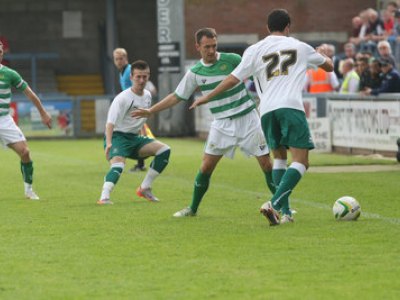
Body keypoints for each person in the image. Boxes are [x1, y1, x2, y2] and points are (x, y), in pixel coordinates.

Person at [190, 9, 333, 225]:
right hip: (291, 107)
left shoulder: (254, 50)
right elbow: (329, 67)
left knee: (280, 159)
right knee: (301, 161)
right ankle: (274, 204)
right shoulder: (299, 46)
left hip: (265, 111)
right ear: (288, 27)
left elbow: (233, 79)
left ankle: (285, 214)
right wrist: (322, 54)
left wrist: (207, 96)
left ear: (267, 28)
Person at [132, 28, 275, 217]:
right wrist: (151, 110)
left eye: (214, 46)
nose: (211, 50)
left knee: (266, 164)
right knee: (206, 166)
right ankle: (192, 208)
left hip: (248, 119)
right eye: (207, 47)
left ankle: (283, 205)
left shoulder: (232, 59)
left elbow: (256, 71)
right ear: (197, 47)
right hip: (221, 124)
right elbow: (177, 96)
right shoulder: (195, 73)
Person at [97, 60, 170, 205]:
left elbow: (142, 117)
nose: (142, 80)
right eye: (138, 77)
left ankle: (145, 188)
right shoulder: (123, 98)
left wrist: (143, 132)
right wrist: (109, 143)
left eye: (145, 76)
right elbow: (110, 122)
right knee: (118, 166)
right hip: (118, 137)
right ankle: (104, 197)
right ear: (131, 77)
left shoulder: (148, 95)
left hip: (135, 138)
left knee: (164, 150)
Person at [0, 41, 52, 200]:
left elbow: (29, 93)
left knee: (25, 152)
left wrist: (43, 113)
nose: (0, 52)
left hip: (4, 120)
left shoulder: (9, 73)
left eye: (1, 50)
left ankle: (29, 191)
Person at [113, 48, 151, 172]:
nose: (119, 61)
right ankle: (140, 162)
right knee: (137, 133)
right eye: (116, 59)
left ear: (126, 58)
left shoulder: (130, 70)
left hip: (135, 107)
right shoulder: (122, 71)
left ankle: (140, 163)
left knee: (139, 134)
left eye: (121, 58)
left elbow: (138, 86)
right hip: (130, 107)